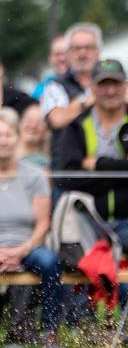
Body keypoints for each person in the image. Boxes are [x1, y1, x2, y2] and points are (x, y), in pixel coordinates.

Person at [0, 108, 62, 348]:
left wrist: (20, 251)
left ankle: (50, 332)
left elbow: (42, 224)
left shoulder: (35, 177)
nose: (3, 140)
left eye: (8, 135)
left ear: (17, 137)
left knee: (50, 263)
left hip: (27, 245)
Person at [53, 59, 128, 254]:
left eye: (116, 84)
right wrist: (118, 174)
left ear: (125, 86)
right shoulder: (77, 125)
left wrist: (99, 165)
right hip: (88, 222)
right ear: (92, 88)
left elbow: (79, 172)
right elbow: (65, 176)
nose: (110, 91)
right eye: (104, 84)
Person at [41, 23, 101, 132]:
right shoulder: (55, 85)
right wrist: (87, 101)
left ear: (98, 51)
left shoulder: (113, 77)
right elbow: (57, 120)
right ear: (68, 53)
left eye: (88, 47)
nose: (82, 53)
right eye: (77, 48)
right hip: (71, 146)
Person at [31, 35, 67, 99]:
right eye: (57, 54)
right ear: (50, 58)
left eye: (65, 53)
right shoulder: (42, 88)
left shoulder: (85, 83)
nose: (62, 58)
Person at [17, 103, 50, 168]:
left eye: (39, 122)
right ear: (20, 123)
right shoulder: (1, 153)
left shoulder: (45, 165)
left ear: (46, 132)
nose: (33, 125)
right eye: (29, 119)